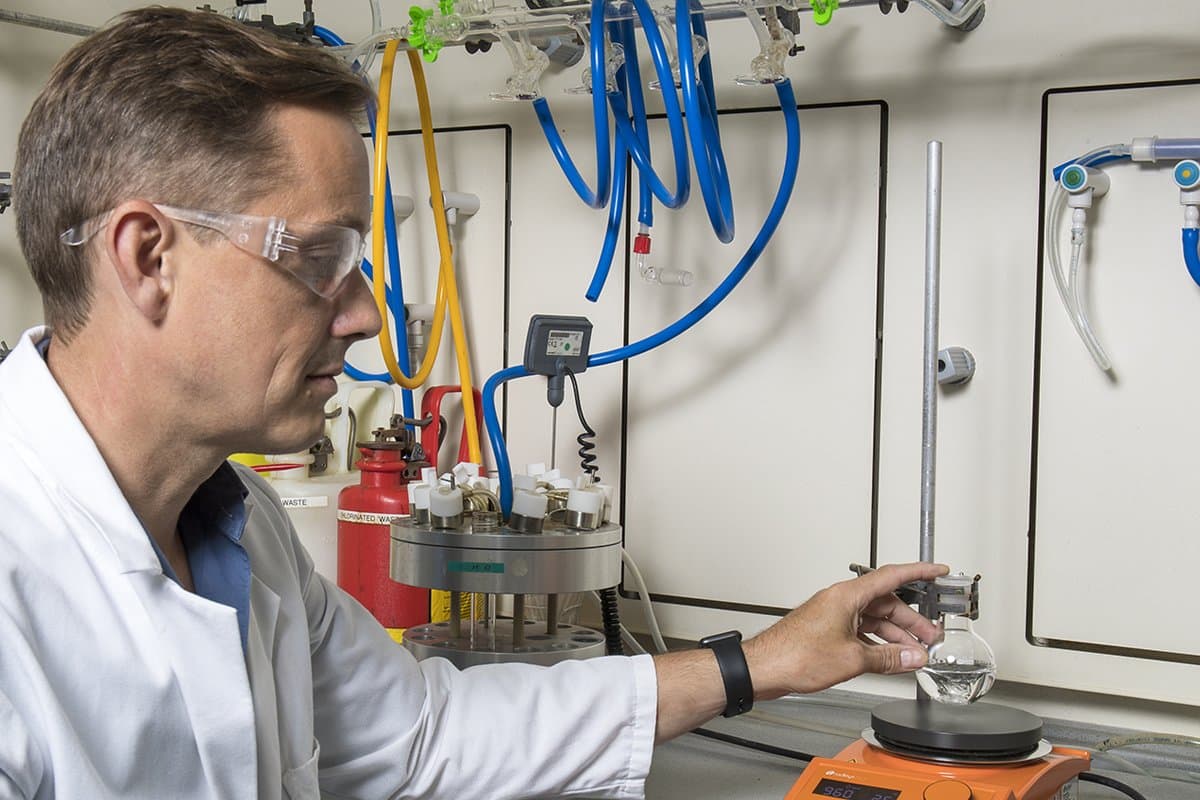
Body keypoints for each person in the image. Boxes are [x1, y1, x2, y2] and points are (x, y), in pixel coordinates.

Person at [0, 7, 946, 799]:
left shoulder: (239, 527)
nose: (368, 313)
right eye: (324, 258)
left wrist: (762, 663)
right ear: (147, 259)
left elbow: (422, 732)